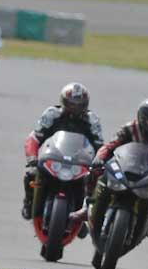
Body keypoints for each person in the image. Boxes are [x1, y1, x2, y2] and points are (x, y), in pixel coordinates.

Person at [71, 97, 148, 236]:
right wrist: (99, 158)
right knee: (93, 172)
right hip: (122, 169)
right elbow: (109, 146)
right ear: (142, 118)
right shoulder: (129, 129)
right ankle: (87, 206)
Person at [21, 83, 104, 222]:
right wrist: (32, 158)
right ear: (64, 102)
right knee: (31, 174)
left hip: (79, 162)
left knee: (94, 182)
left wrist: (99, 163)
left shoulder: (92, 120)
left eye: (79, 105)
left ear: (85, 104)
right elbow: (34, 138)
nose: (75, 108)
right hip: (54, 158)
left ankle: (86, 215)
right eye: (71, 104)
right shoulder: (52, 114)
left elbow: (99, 145)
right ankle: (29, 203)